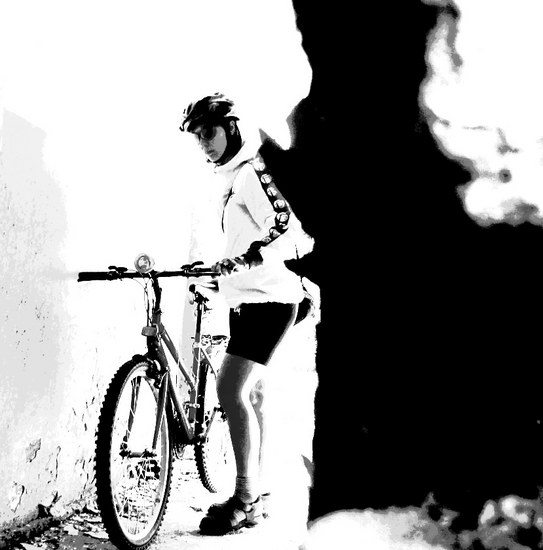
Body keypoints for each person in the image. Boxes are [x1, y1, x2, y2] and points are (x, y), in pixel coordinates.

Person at [179, 93, 313, 535]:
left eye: (209, 132)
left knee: (229, 388)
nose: (204, 143)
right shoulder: (232, 178)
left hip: (270, 302)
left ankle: (244, 498)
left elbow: (290, 232)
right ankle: (257, 492)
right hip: (249, 300)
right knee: (253, 396)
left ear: (232, 128)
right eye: (198, 137)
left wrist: (249, 259)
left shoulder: (254, 172)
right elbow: (242, 243)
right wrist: (217, 274)